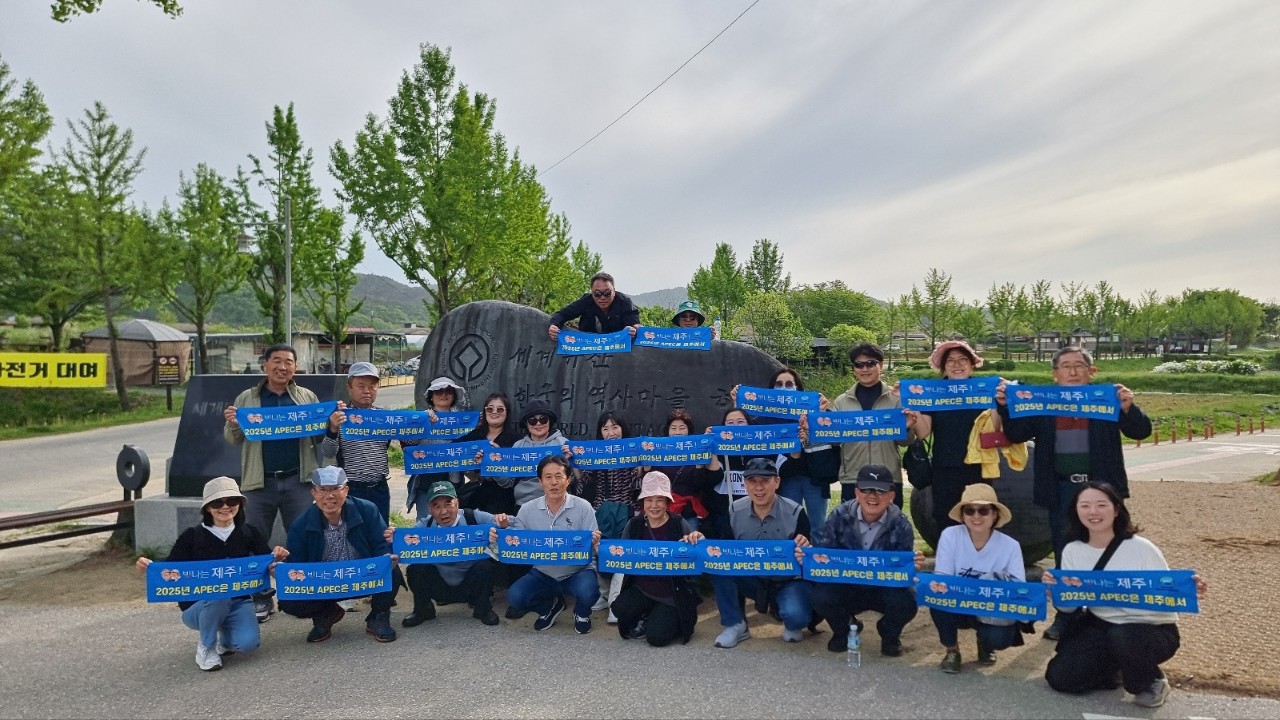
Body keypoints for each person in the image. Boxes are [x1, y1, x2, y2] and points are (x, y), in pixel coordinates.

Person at [996, 346, 1152, 641]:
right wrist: (1005, 407)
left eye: (1078, 366)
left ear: (1091, 372)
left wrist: (1129, 408)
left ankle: (1110, 614)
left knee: (1111, 548)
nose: (1072, 371)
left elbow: (1140, 431)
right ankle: (1065, 615)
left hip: (1102, 488)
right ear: (1054, 375)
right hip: (1062, 487)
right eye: (1065, 366)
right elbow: (1016, 434)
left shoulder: (1106, 399)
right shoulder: (1044, 403)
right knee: (1065, 551)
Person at [1043, 482, 1207, 708]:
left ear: (1117, 510)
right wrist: (1057, 592)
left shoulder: (1141, 548)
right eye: (1085, 506)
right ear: (1076, 511)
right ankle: (1118, 667)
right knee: (1061, 678)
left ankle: (1151, 679)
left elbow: (1168, 596)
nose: (1093, 512)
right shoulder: (1073, 550)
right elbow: (1069, 608)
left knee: (1124, 636)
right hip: (1101, 625)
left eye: (1102, 505)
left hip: (1149, 629)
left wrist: (1189, 588)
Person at [135, 477, 289, 671]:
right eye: (217, 502)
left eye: (232, 501)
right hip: (198, 607)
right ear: (207, 508)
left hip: (238, 602)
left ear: (240, 505)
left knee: (248, 644)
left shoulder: (249, 532)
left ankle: (224, 638)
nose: (225, 507)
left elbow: (268, 564)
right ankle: (206, 647)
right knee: (220, 593)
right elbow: (169, 570)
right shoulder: (191, 536)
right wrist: (148, 567)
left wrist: (276, 562)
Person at [222, 343, 323, 622]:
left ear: (295, 367)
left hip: (298, 481)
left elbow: (319, 439)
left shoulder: (306, 396)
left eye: (288, 362)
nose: (282, 367)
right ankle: (261, 598)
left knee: (302, 537)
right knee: (254, 542)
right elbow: (233, 439)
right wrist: (232, 422)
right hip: (259, 484)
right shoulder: (248, 398)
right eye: (276, 361)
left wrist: (330, 424)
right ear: (264, 365)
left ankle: (301, 591)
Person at [685, 458, 812, 649]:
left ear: (776, 482)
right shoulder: (735, 510)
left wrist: (806, 552)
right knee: (720, 567)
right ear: (745, 484)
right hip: (751, 578)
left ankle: (787, 614)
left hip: (786, 580)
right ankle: (735, 624)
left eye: (765, 481)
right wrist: (700, 538)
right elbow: (723, 548)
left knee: (797, 618)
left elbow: (807, 556)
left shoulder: (796, 512)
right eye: (753, 481)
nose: (759, 488)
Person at [805, 464, 922, 658]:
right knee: (820, 596)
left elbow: (903, 570)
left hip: (883, 588)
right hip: (848, 585)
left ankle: (889, 633)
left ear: (891, 495)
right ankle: (845, 629)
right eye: (866, 490)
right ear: (857, 493)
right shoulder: (838, 516)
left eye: (880, 490)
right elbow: (825, 556)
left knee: (909, 601)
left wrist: (912, 568)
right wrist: (811, 557)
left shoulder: (901, 524)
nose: (873, 496)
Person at [277, 466, 404, 644]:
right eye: (323, 490)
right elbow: (296, 564)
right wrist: (281, 571)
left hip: (362, 575)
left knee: (392, 569)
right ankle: (325, 613)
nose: (329, 496)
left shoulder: (367, 510)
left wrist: (386, 558)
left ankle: (378, 616)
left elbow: (381, 544)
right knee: (289, 599)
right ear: (313, 493)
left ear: (346, 490)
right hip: (325, 582)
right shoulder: (300, 524)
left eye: (336, 489)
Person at [498, 455, 603, 635]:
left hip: (577, 571)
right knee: (515, 597)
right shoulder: (527, 509)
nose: (554, 482)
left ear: (568, 479)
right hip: (542, 572)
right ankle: (549, 607)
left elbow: (594, 547)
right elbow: (517, 541)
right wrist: (503, 530)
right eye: (548, 477)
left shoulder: (583, 507)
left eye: (559, 476)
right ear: (540, 481)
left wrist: (595, 543)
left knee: (588, 591)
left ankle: (582, 614)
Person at [929, 483, 1026, 673]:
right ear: (962, 515)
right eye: (969, 510)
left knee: (999, 638)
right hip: (956, 603)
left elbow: (1017, 589)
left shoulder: (1011, 546)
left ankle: (985, 642)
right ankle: (952, 650)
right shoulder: (950, 536)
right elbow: (943, 578)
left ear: (995, 514)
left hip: (989, 607)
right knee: (936, 597)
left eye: (983, 510)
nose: (976, 516)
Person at [909, 340, 1001, 534]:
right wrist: (913, 405)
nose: (956, 365)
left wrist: (1000, 402)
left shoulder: (984, 390)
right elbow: (924, 432)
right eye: (950, 361)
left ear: (971, 365)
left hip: (979, 467)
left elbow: (996, 429)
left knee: (980, 520)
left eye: (962, 360)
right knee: (946, 520)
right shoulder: (933, 393)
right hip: (944, 469)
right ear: (943, 367)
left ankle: (978, 563)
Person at [396, 480, 511, 628]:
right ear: (430, 508)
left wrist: (503, 524)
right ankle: (423, 609)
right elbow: (403, 544)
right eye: (436, 506)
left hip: (469, 585)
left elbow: (509, 526)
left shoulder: (473, 517)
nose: (443, 511)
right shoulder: (425, 525)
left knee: (485, 565)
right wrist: (393, 538)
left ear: (457, 503)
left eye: (448, 504)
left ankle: (483, 609)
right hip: (439, 586)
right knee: (415, 569)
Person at [611, 471, 701, 647]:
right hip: (642, 587)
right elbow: (620, 552)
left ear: (667, 503)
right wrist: (602, 549)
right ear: (643, 502)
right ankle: (647, 615)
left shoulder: (678, 523)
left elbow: (698, 551)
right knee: (619, 608)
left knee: (657, 638)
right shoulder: (635, 524)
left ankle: (665, 618)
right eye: (649, 500)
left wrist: (697, 538)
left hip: (671, 592)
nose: (654, 505)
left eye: (659, 500)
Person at [831, 343, 918, 508]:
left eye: (870, 363)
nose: (865, 369)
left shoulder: (897, 399)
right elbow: (834, 441)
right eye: (859, 365)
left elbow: (905, 442)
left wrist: (906, 427)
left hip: (888, 477)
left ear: (881, 365)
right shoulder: (842, 402)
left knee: (890, 529)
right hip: (853, 477)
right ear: (854, 368)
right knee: (852, 530)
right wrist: (818, 424)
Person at [759, 366, 838, 536]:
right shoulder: (765, 418)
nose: (784, 387)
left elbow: (836, 436)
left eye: (789, 384)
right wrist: (738, 401)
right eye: (779, 384)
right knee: (790, 527)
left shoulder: (815, 410)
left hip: (815, 478)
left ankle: (817, 561)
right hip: (787, 479)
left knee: (818, 527)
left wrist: (822, 414)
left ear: (798, 388)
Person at [322, 361, 398, 524]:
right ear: (349, 388)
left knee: (380, 534)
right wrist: (333, 429)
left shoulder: (385, 417)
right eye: (361, 386)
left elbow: (410, 438)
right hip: (350, 489)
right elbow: (328, 452)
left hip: (379, 487)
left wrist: (428, 420)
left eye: (372, 386)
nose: (367, 391)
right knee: (353, 534)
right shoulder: (340, 416)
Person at [406, 375, 467, 520]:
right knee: (426, 525)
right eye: (438, 391)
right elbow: (409, 442)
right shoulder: (422, 417)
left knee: (450, 525)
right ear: (431, 397)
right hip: (426, 482)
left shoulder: (463, 420)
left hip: (453, 481)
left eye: (448, 391)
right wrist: (422, 424)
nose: (444, 395)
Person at [703, 407, 768, 540]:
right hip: (723, 513)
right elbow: (713, 477)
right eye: (730, 423)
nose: (736, 427)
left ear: (749, 425)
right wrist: (710, 446)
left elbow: (785, 469)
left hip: (756, 513)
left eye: (740, 422)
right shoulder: (719, 452)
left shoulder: (762, 449)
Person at [494, 400, 570, 511]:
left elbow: (572, 480)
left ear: (549, 422)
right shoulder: (518, 446)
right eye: (532, 420)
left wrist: (568, 464)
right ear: (526, 424)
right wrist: (493, 464)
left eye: (543, 419)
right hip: (524, 505)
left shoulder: (562, 444)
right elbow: (508, 482)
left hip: (556, 504)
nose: (538, 424)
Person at [456, 392, 522, 516]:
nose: (494, 412)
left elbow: (514, 478)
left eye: (500, 409)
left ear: (507, 413)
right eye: (490, 408)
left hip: (503, 499)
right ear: (484, 412)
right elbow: (452, 456)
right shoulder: (473, 436)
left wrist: (496, 462)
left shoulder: (516, 440)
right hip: (475, 498)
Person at [661, 409, 716, 532]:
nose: (677, 432)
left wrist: (699, 463)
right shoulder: (661, 454)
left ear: (689, 431)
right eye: (673, 428)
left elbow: (699, 484)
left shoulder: (696, 452)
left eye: (682, 428)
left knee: (690, 544)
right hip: (665, 510)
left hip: (690, 512)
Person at [547, 271, 640, 341]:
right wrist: (554, 326)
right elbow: (562, 314)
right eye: (597, 294)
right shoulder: (586, 301)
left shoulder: (624, 302)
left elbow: (635, 324)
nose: (602, 298)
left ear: (614, 291)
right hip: (589, 345)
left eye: (607, 293)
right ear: (592, 293)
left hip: (617, 345)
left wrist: (632, 329)